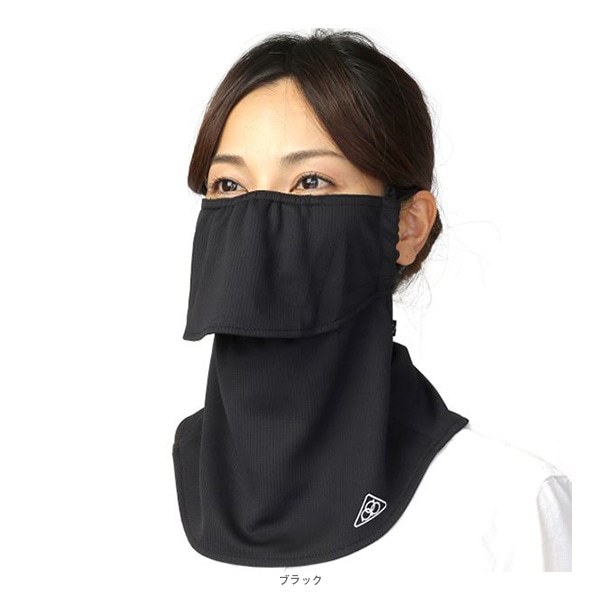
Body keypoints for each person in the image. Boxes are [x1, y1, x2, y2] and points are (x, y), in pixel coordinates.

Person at [172, 29, 571, 573]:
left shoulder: (512, 507)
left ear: (407, 227)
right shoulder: (132, 497)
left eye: (311, 181)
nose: (257, 222)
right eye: (228, 186)